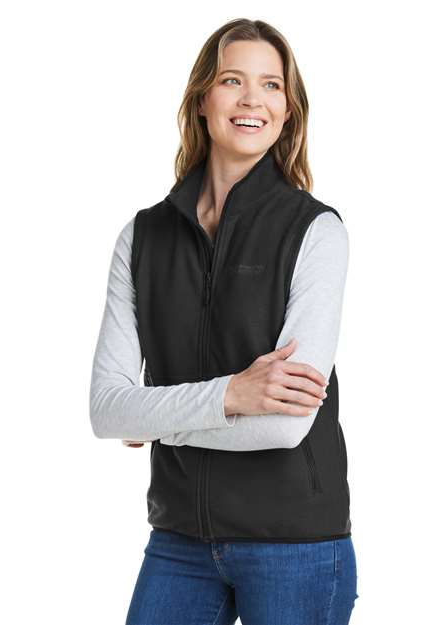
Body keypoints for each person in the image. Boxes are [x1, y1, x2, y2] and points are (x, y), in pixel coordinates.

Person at [89, 17, 359, 625]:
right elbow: (107, 411)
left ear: (288, 111)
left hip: (295, 545)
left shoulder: (315, 231)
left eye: (271, 85)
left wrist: (160, 421)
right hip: (179, 539)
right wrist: (234, 394)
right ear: (201, 99)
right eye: (232, 80)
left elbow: (285, 426)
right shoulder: (142, 237)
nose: (251, 99)